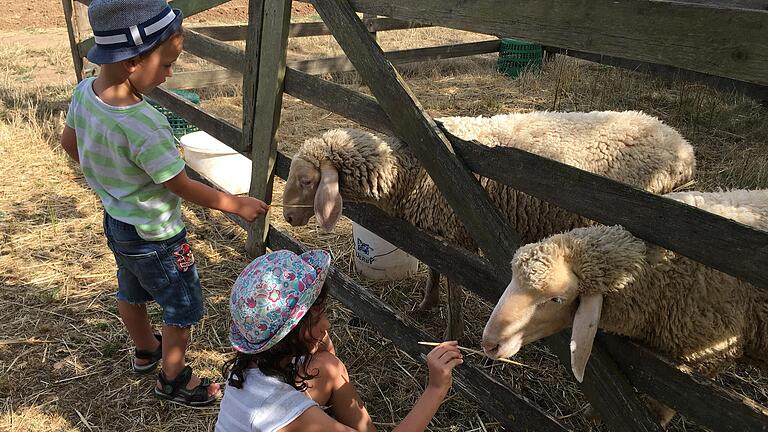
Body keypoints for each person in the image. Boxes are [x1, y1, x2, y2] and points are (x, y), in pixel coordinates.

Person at [59, 0, 269, 406]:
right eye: (168, 63)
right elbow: (182, 186)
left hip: (118, 223)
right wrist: (236, 204)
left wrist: (112, 177)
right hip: (158, 236)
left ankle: (144, 350)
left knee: (131, 288)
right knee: (183, 305)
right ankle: (173, 378)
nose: (171, 73)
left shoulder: (85, 91)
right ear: (134, 62)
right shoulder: (145, 124)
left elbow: (70, 144)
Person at [215, 250, 463, 431]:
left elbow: (329, 360)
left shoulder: (252, 367)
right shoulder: (286, 414)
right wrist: (435, 388)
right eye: (317, 319)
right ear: (288, 337)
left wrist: (315, 339)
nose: (327, 325)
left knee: (329, 367)